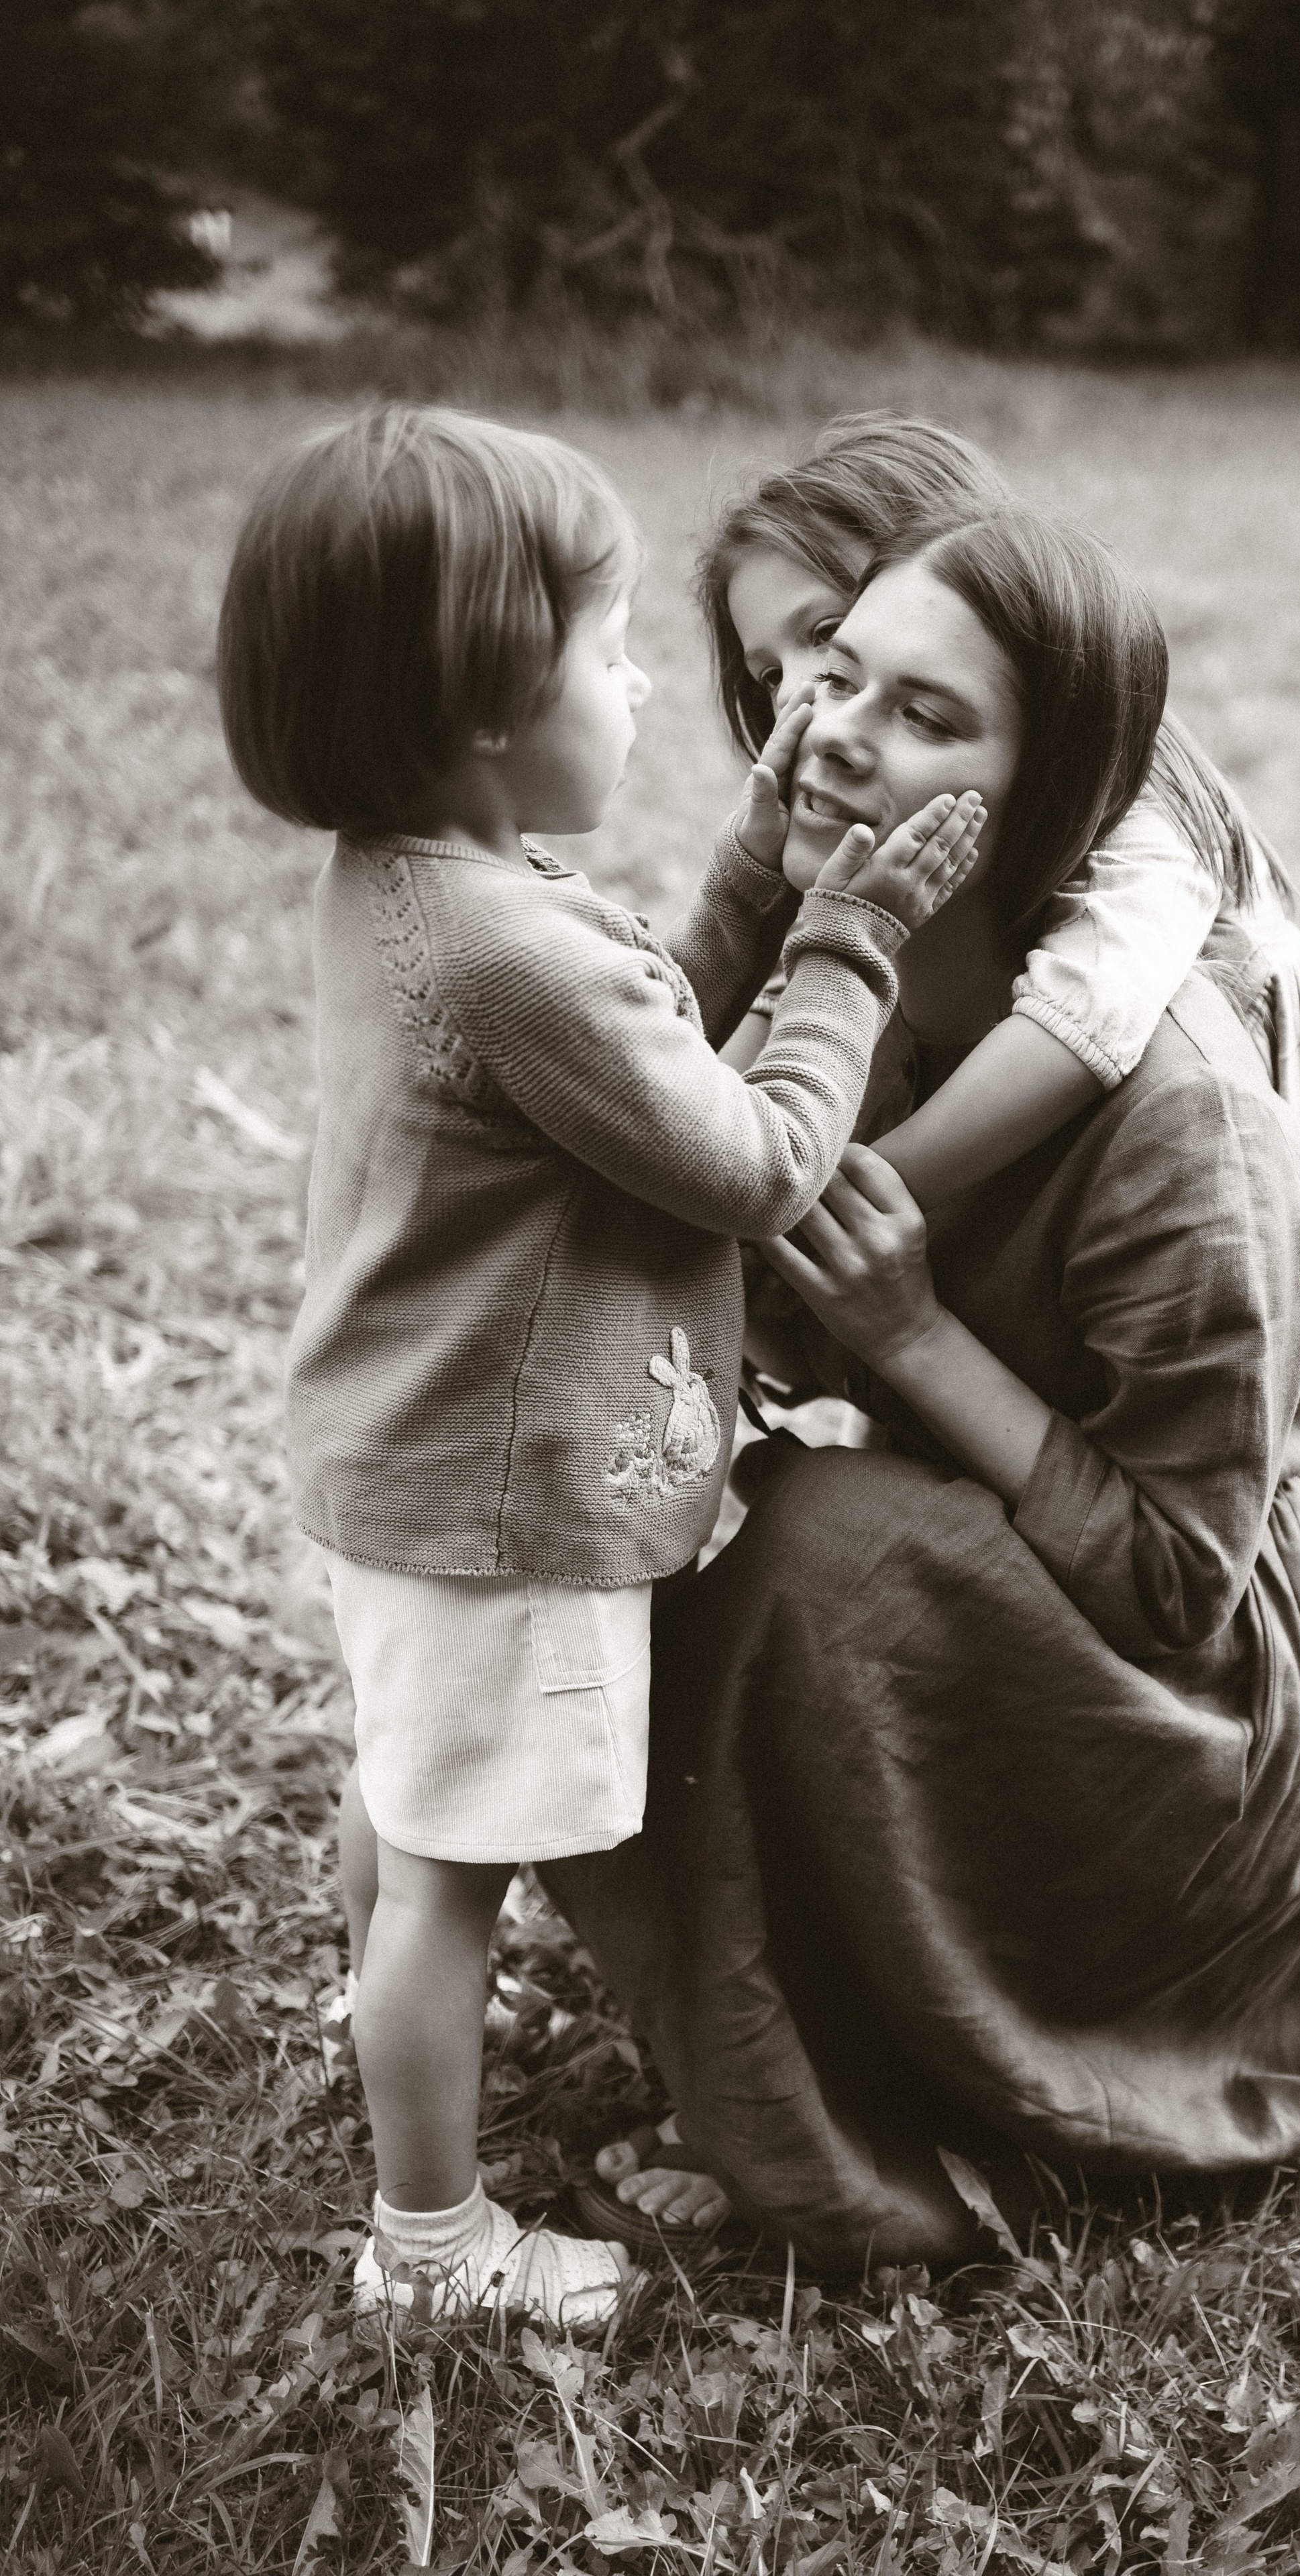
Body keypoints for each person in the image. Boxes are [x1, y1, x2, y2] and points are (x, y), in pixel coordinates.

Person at [557, 501, 1300, 2268]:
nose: (832, 731)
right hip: (1043, 1549)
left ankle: (889, 2098)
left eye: (928, 715)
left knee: (826, 1557)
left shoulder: (1185, 1121)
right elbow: (678, 1211)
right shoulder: (864, 967)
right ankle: (794, 2007)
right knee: (641, 1505)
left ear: (1050, 800)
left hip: (1236, 1688)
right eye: (831, 678)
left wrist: (904, 1339)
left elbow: (1179, 1583)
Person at [215, 405, 983, 2323]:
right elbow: (747, 1154)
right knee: (451, 1885)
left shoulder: (427, 887)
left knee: (408, 1813)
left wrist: (763, 842)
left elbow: (658, 1002)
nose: (653, 691)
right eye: (617, 650)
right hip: (504, 1507)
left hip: (411, 1468)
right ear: (487, 696)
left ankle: (395, 2044)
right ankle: (434, 2243)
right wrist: (859, 931)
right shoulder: (508, 954)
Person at [696, 413, 1300, 1513]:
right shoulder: (883, 834)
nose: (796, 698)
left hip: (1233, 1074)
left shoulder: (1143, 847)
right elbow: (774, 1003)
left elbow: (1086, 1024)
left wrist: (838, 1198)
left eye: (821, 632)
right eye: (788, 668)